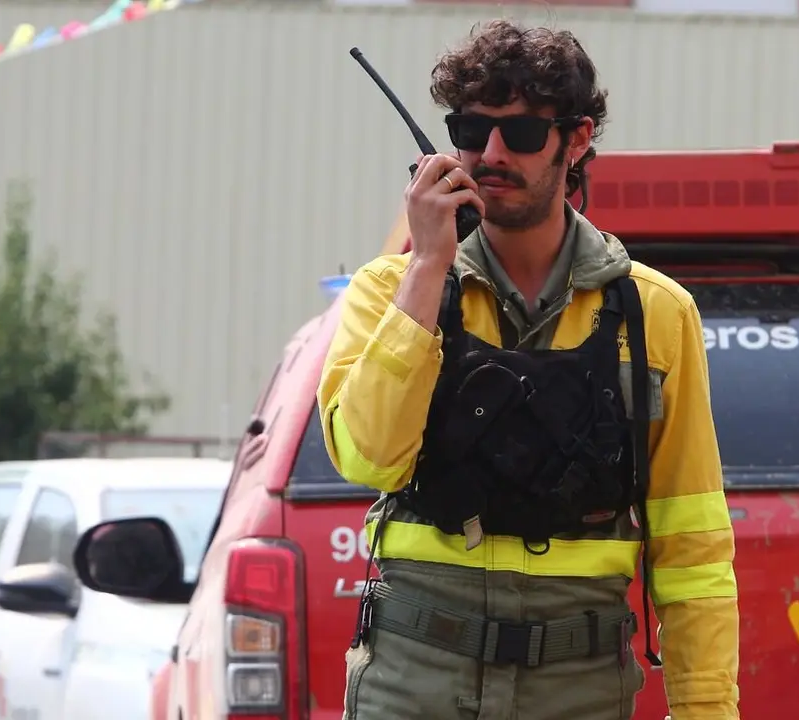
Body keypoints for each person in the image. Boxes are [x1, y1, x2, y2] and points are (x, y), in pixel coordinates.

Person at [318, 18, 739, 720]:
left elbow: (691, 543)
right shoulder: (388, 292)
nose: (489, 153)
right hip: (416, 685)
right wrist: (427, 266)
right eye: (469, 129)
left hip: (580, 690)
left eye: (519, 134)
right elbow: (368, 459)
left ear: (575, 142)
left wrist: (705, 710)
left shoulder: (656, 315)